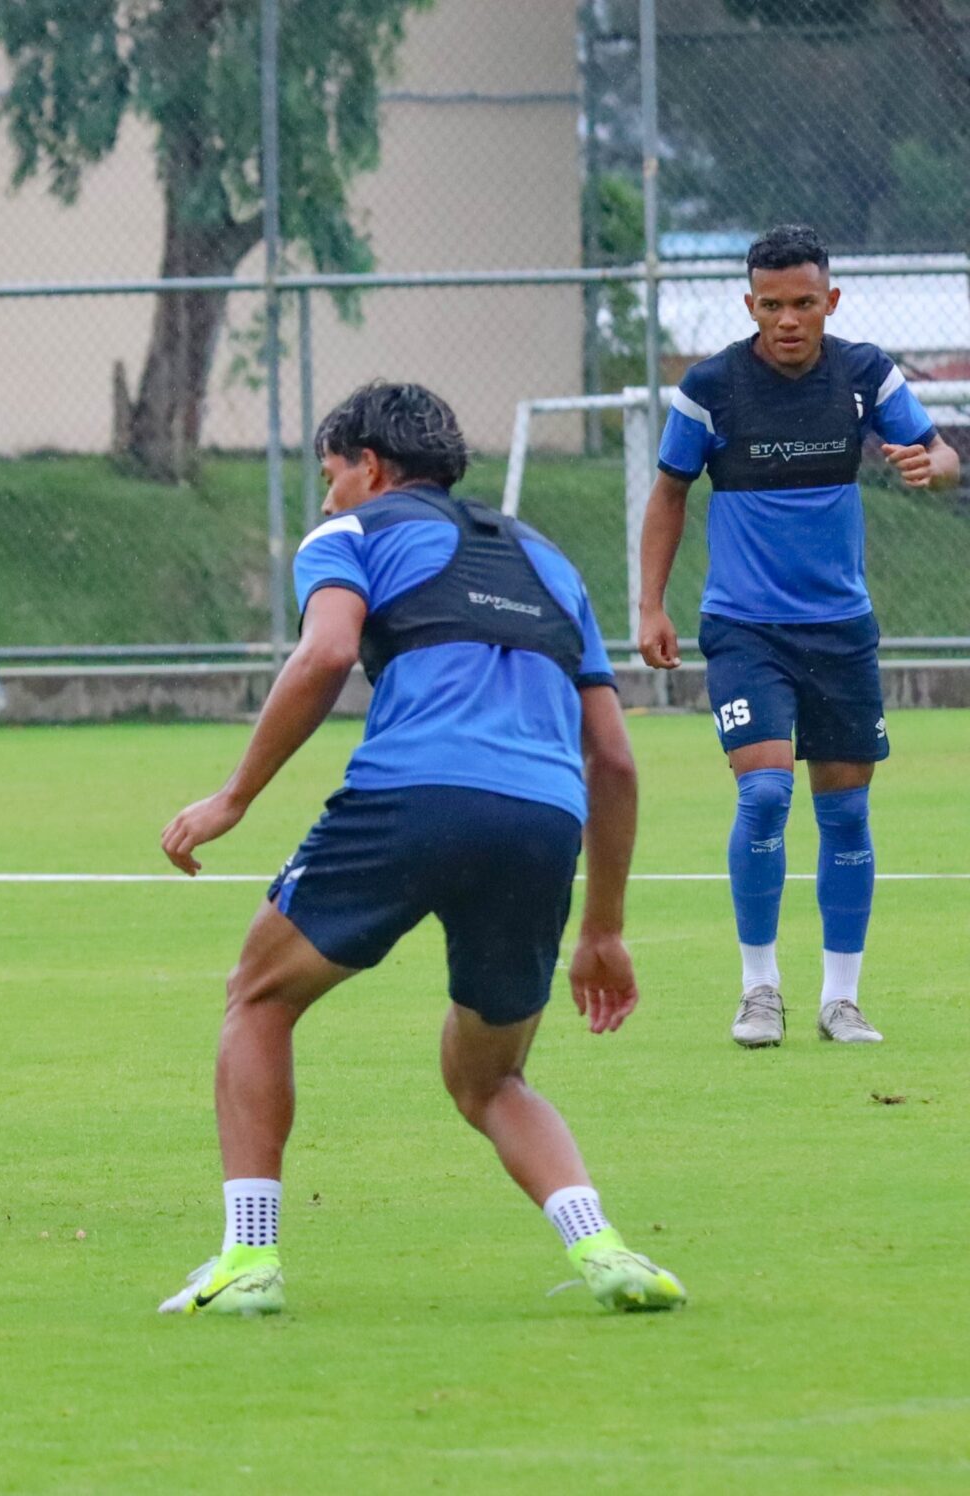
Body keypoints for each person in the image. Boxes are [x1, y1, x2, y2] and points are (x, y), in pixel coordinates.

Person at [157, 381, 685, 1316]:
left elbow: (324, 656)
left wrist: (235, 797)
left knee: (259, 998)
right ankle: (603, 1249)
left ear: (371, 466)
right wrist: (602, 926)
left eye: (332, 476)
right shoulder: (550, 561)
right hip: (541, 818)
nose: (325, 501)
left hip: (412, 796)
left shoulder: (350, 537)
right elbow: (614, 760)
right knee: (490, 1076)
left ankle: (248, 1261)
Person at [640, 224, 959, 1048]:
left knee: (846, 815)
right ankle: (759, 991)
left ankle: (841, 1000)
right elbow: (669, 496)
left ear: (831, 302)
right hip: (746, 630)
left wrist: (935, 465)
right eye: (772, 304)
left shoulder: (863, 374)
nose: (788, 319)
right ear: (750, 305)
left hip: (841, 632)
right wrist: (651, 605)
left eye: (804, 303)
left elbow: (939, 451)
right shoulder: (709, 388)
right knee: (766, 793)